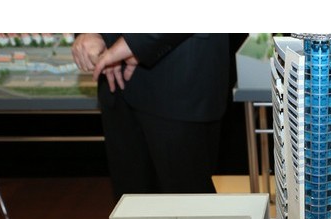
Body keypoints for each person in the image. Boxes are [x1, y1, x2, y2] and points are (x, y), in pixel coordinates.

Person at [72, 33, 229, 199]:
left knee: (188, 207)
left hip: (177, 82)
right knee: (130, 206)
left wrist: (133, 43)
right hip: (115, 83)